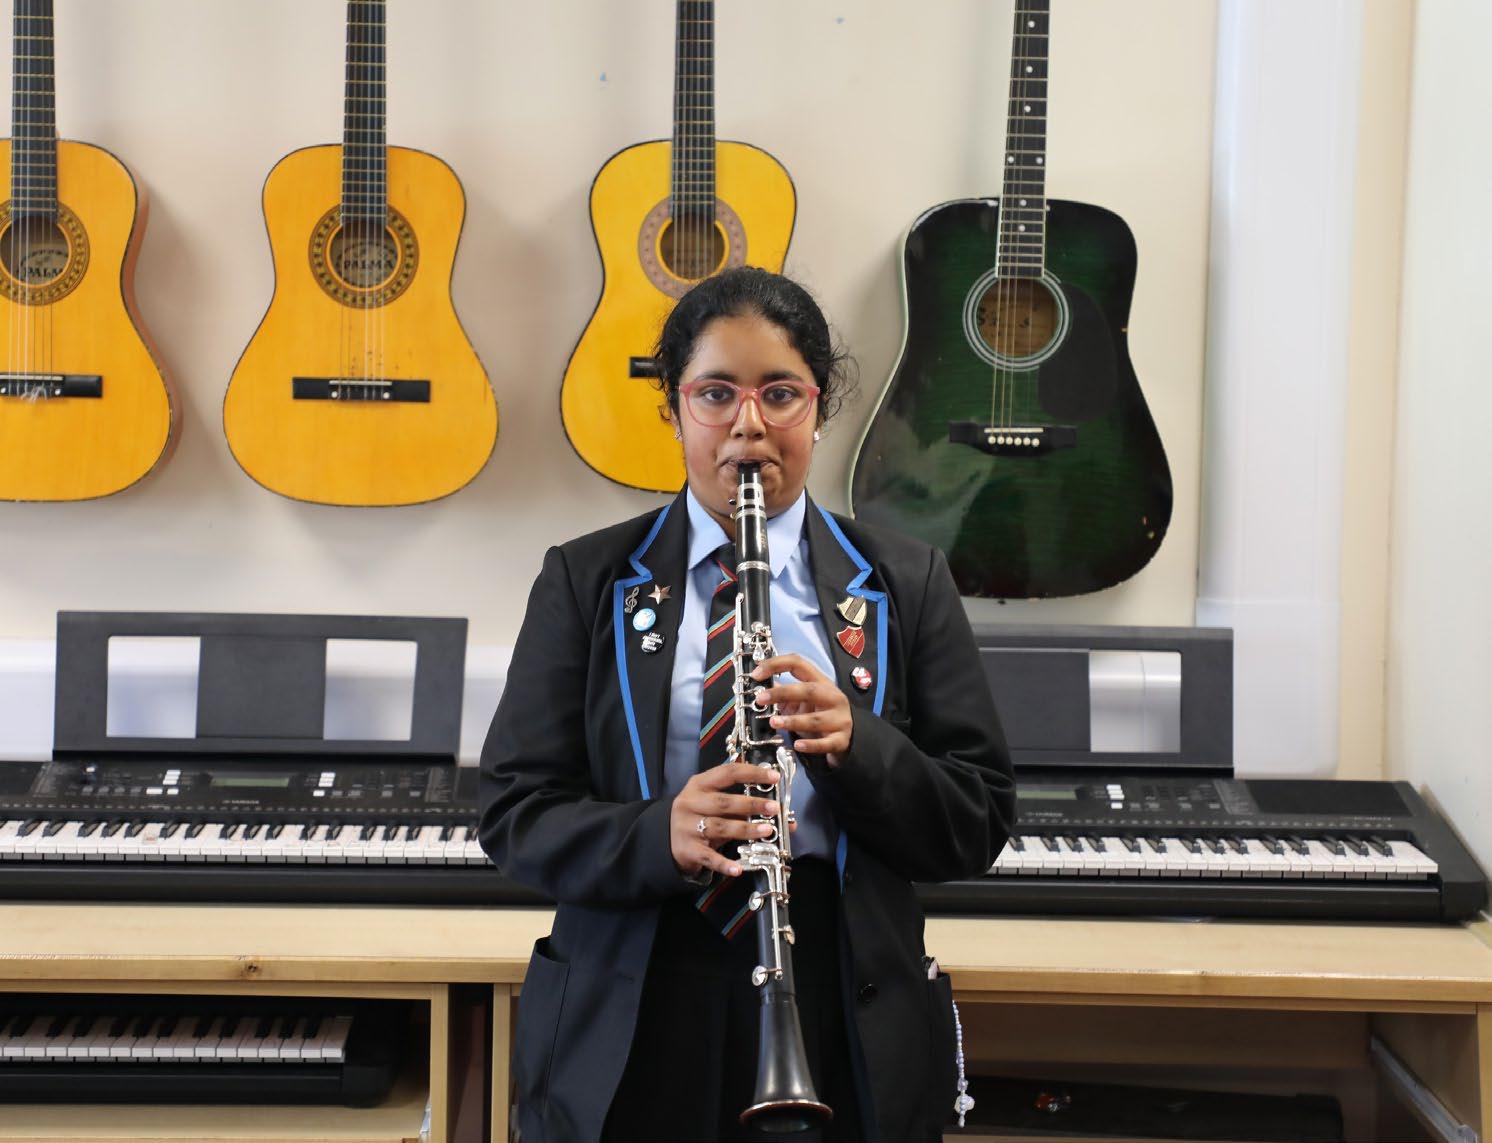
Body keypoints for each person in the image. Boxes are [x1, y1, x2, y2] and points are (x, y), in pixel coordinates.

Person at [479, 267, 1014, 1142]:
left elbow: (978, 815)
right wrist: (660, 832)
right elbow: (514, 812)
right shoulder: (586, 579)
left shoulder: (906, 582)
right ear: (675, 408)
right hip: (641, 997)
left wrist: (858, 746)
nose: (749, 423)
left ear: (819, 408)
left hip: (838, 988)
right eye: (716, 393)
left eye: (781, 393)